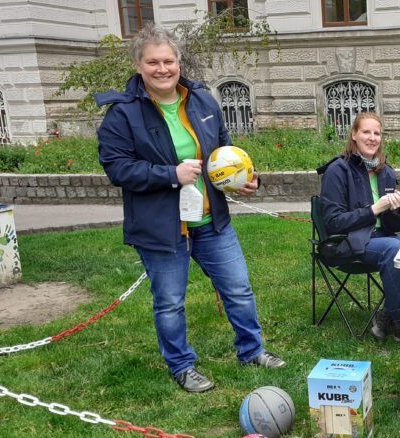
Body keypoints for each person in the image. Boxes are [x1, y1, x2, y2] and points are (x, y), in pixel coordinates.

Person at [95, 24, 285, 393]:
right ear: (139, 65)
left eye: (169, 60)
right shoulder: (122, 114)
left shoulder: (201, 99)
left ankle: (252, 350)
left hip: (211, 221)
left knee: (240, 289)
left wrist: (245, 177)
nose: (162, 69)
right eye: (153, 62)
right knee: (170, 303)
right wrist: (171, 174)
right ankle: (182, 366)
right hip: (162, 228)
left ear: (179, 62)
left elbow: (224, 152)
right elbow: (117, 168)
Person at [318, 112, 400, 341]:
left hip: (380, 237)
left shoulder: (386, 171)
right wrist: (373, 210)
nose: (372, 138)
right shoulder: (337, 170)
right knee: (393, 250)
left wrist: (395, 210)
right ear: (354, 135)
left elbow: (395, 227)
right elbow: (333, 223)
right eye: (366, 132)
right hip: (345, 242)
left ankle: (389, 317)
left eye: (377, 133)